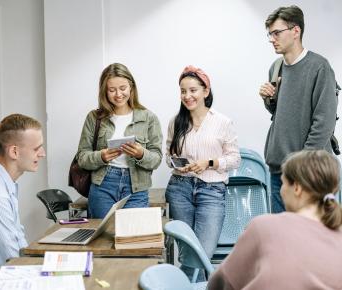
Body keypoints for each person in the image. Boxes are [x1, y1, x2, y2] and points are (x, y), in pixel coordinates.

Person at [208, 150, 342, 290]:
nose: (281, 190)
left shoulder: (264, 227)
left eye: (283, 183)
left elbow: (220, 282)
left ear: (296, 188)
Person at [259, 5, 337, 213]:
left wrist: (301, 165)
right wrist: (269, 99)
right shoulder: (275, 67)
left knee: (313, 239)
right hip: (279, 171)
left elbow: (324, 123)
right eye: (270, 34)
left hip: (309, 173)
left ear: (296, 31)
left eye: (276, 33)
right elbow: (281, 113)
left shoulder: (319, 67)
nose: (271, 39)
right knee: (282, 240)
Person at [165, 65, 240, 281]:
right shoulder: (176, 122)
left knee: (202, 253)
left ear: (206, 91)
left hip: (212, 191)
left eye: (193, 90)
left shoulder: (222, 122)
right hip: (180, 189)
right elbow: (167, 157)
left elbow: (234, 159)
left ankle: (183, 285)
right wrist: (177, 164)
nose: (187, 96)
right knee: (188, 253)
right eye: (183, 91)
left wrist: (208, 162)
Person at [77, 63, 163, 218]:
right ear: (104, 91)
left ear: (131, 87)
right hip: (102, 185)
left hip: (136, 187)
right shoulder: (94, 118)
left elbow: (156, 159)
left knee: (132, 238)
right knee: (102, 239)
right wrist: (101, 156)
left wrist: (141, 154)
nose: (118, 94)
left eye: (123, 88)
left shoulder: (149, 118)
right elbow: (82, 157)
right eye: (112, 90)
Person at [0, 114, 46, 279]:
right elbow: (11, 262)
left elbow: (15, 236)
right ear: (14, 151)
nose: (42, 154)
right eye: (36, 148)